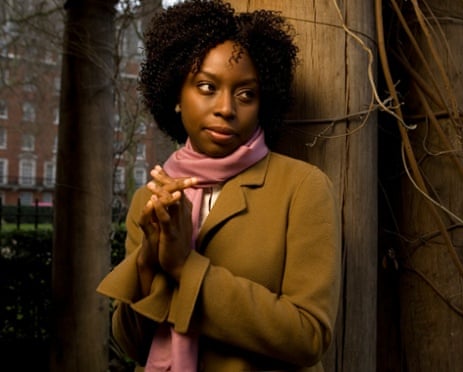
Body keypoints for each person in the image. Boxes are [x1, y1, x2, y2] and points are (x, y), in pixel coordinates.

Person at [96, 1, 341, 371]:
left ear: (264, 103)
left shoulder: (303, 188)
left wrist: (185, 267)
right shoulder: (149, 199)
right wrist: (148, 257)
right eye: (207, 87)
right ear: (176, 95)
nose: (226, 108)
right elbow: (134, 343)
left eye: (246, 94)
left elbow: (309, 337)